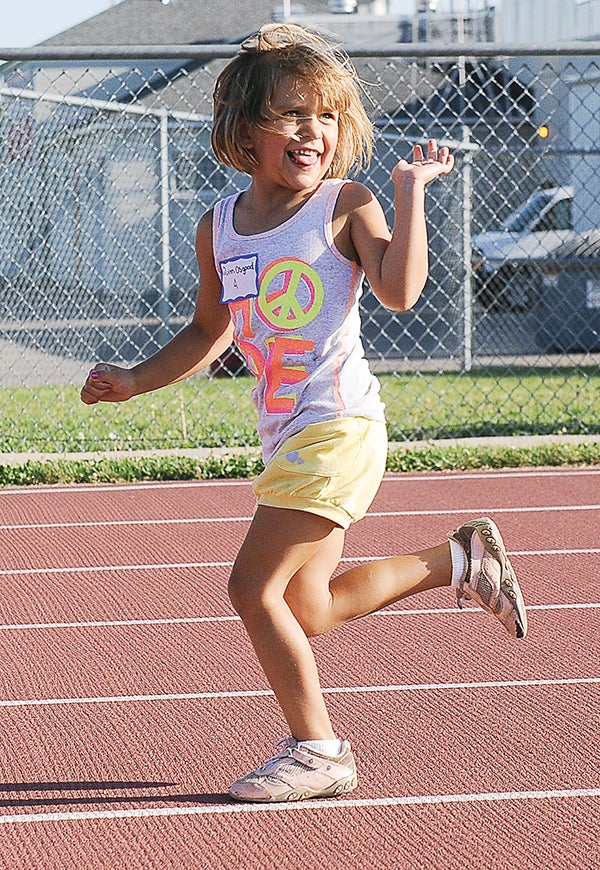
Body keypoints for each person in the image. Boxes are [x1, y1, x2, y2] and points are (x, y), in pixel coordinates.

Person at [81, 23, 527, 803]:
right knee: (308, 609)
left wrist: (408, 195)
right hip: (288, 437)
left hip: (339, 428)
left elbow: (398, 291)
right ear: (244, 129)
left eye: (324, 115)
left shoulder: (343, 205)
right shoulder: (218, 227)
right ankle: (459, 560)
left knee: (250, 589)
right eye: (291, 114)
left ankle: (317, 750)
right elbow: (205, 330)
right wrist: (134, 379)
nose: (311, 131)